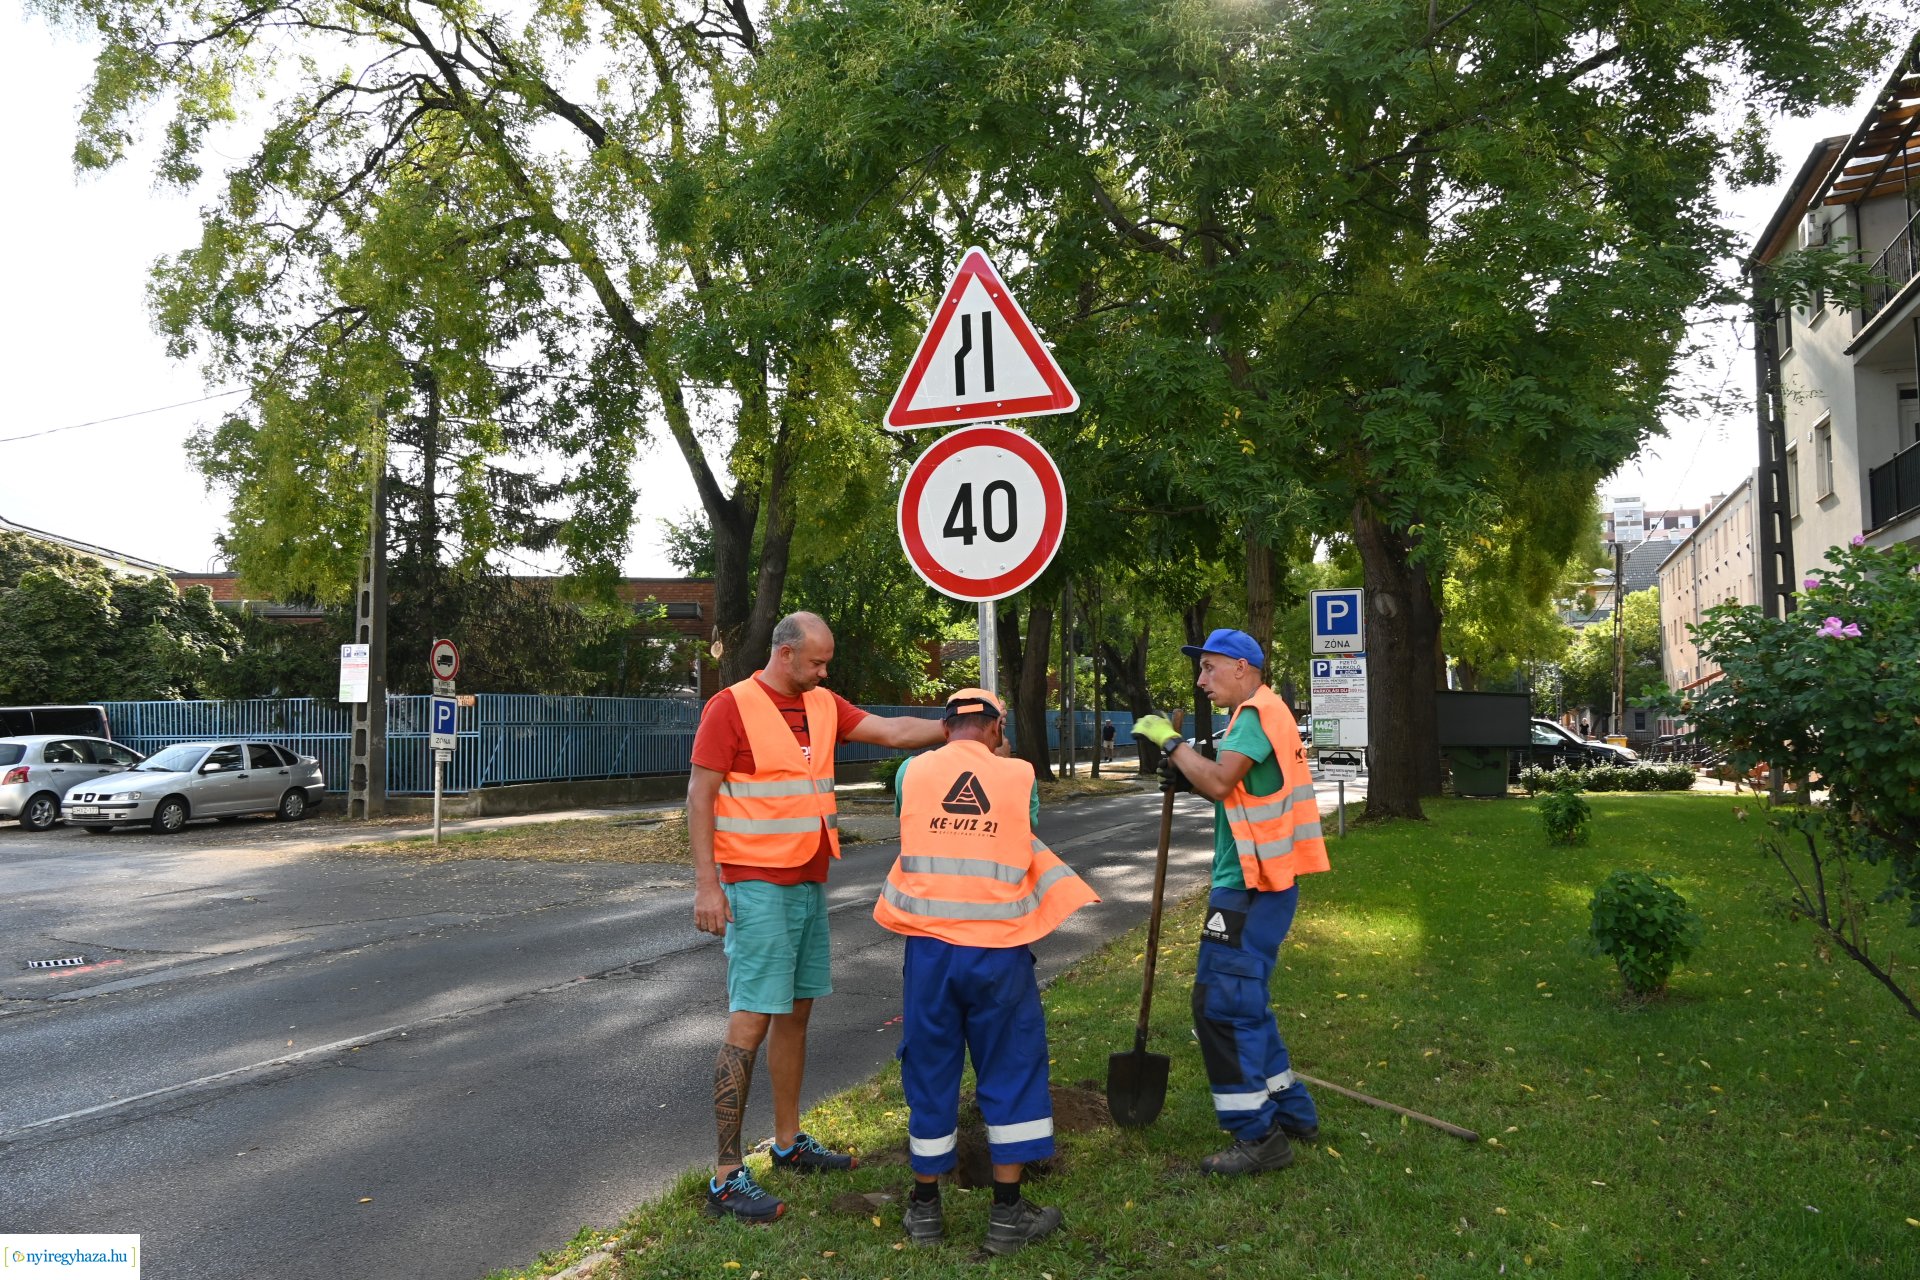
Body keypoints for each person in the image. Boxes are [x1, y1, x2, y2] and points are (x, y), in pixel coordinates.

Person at [689, 611, 947, 1223]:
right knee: (751, 1018)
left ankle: (788, 1143)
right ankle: (726, 1176)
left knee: (797, 1014)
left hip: (808, 878)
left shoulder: (824, 705)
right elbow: (700, 795)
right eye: (818, 661)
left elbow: (891, 730)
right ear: (785, 655)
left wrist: (954, 727)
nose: (825, 671)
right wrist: (706, 885)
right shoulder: (730, 707)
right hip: (754, 886)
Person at [874, 688, 1099, 1254]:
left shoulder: (909, 774)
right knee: (1011, 1066)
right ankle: (1007, 1216)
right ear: (996, 728)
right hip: (999, 951)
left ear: (947, 727)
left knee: (929, 1068)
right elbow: (1025, 836)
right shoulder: (1018, 777)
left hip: (929, 953)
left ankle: (924, 1210)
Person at [1130, 628, 1331, 1176]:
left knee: (1220, 1007)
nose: (1202, 681)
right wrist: (1185, 768)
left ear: (1242, 667)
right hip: (1264, 882)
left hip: (1249, 887)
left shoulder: (1253, 717)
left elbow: (1220, 784)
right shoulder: (1271, 712)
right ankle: (1294, 1113)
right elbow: (1229, 787)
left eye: (1210, 668)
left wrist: (1172, 744)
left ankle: (1257, 1136)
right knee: (1245, 1002)